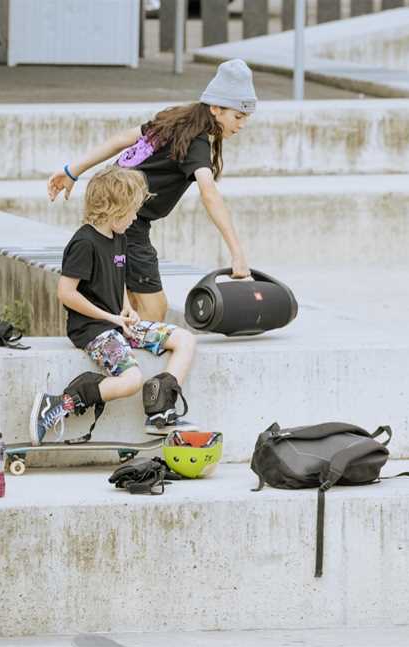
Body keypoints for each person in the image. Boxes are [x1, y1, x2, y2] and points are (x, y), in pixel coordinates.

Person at [47, 58, 256, 321]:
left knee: (130, 308)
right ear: (215, 108)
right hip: (126, 223)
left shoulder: (178, 119)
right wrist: (237, 254)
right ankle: (127, 359)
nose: (242, 124)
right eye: (237, 116)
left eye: (246, 117)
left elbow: (121, 140)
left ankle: (120, 351)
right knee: (153, 311)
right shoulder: (196, 140)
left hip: (108, 211)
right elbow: (209, 193)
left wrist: (72, 170)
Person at [30, 167, 197, 444]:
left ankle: (160, 408)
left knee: (185, 339)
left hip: (117, 323)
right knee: (131, 380)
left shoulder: (119, 238)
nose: (135, 218)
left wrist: (125, 310)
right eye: (132, 211)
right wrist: (110, 317)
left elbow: (117, 278)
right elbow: (66, 293)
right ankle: (61, 402)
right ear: (113, 208)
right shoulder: (84, 242)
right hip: (92, 329)